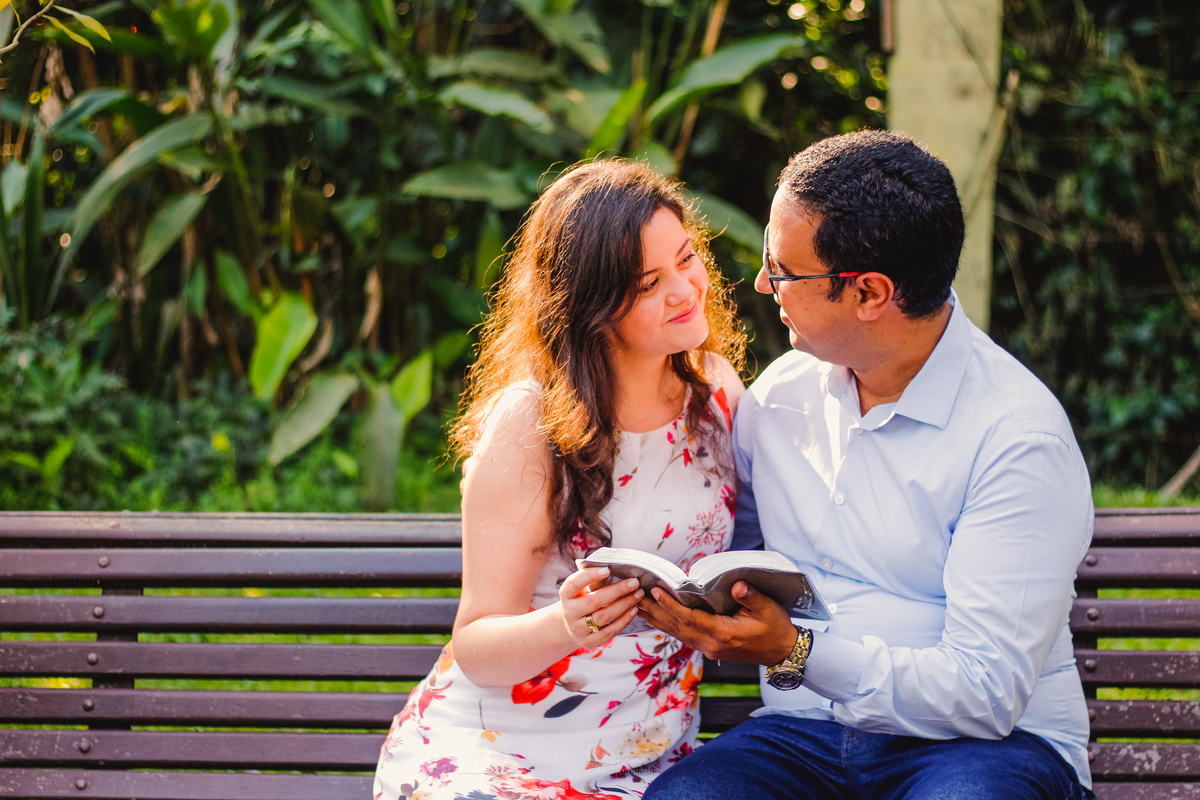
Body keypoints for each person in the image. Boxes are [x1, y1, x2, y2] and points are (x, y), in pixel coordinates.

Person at [638, 131, 1096, 800]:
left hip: (984, 750)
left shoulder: (1017, 438)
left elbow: (986, 694)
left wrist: (793, 651)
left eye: (784, 270)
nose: (765, 284)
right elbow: (730, 551)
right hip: (803, 734)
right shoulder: (780, 397)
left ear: (870, 294)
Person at [374, 159, 746, 800]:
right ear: (595, 305)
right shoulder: (530, 422)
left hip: (648, 755)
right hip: (501, 752)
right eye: (650, 283)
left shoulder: (716, 394)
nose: (686, 290)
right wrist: (566, 624)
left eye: (688, 259)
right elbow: (478, 647)